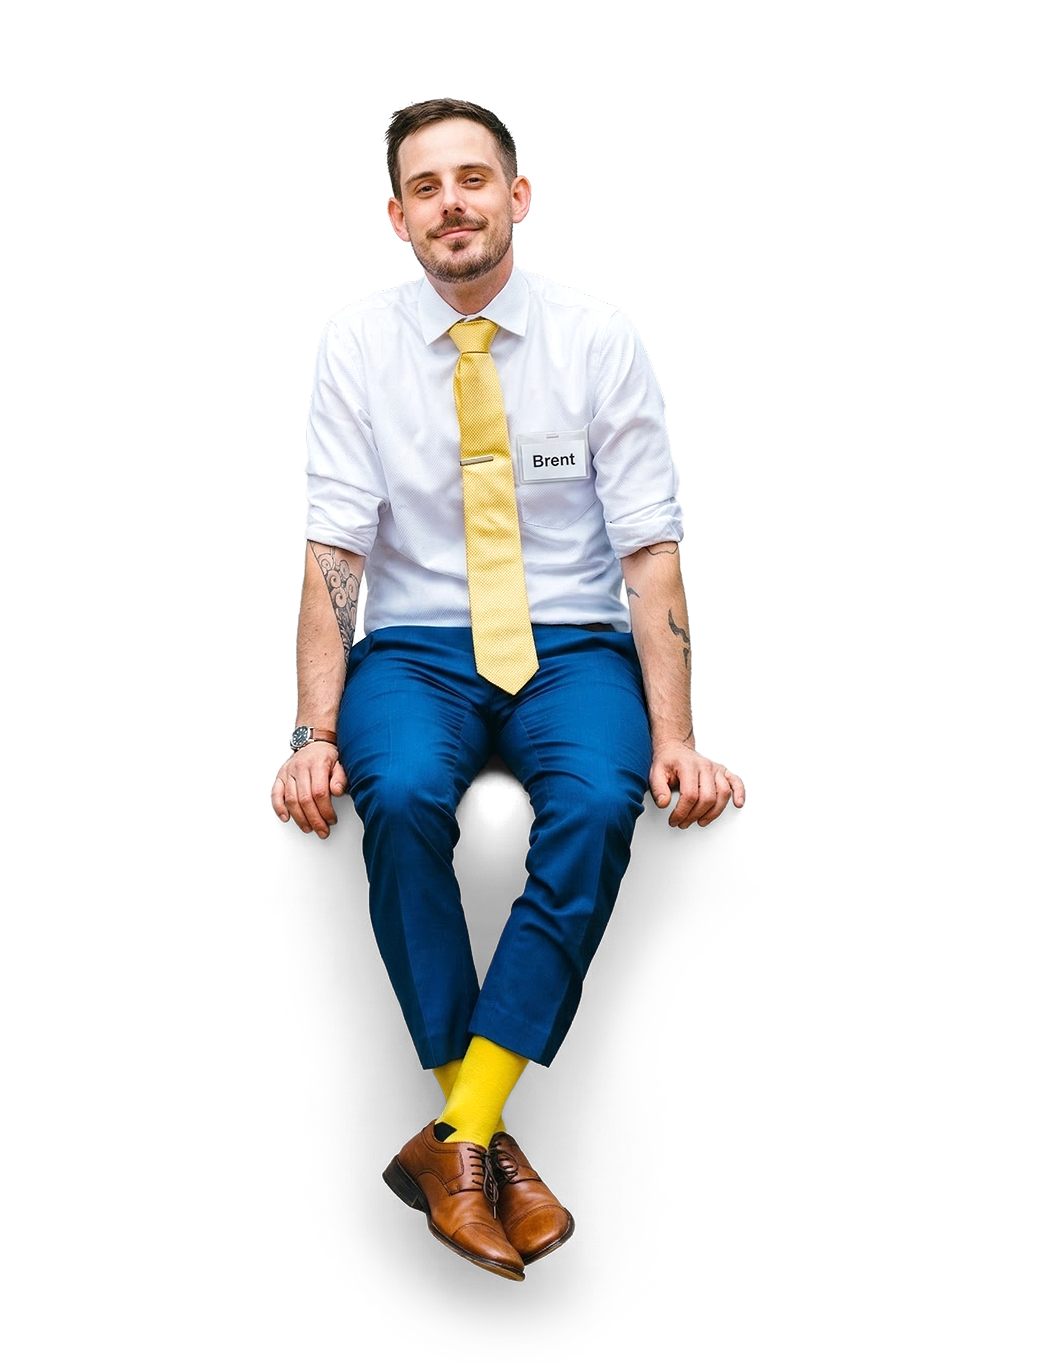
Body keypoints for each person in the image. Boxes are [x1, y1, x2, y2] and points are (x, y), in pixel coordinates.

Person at [268, 96, 745, 1280]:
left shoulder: (598, 340)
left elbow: (647, 548)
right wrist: (307, 731)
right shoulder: (352, 345)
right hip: (418, 651)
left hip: (572, 645)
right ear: (395, 217)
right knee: (396, 796)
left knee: (595, 803)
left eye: (473, 179)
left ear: (516, 197)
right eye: (424, 188)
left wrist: (677, 733)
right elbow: (335, 550)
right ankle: (483, 1139)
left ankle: (461, 1128)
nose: (452, 204)